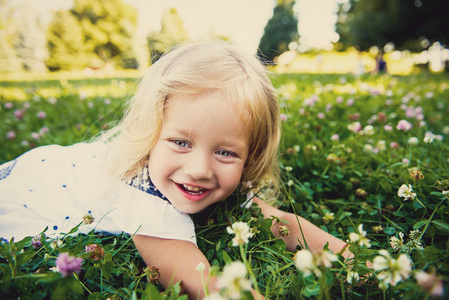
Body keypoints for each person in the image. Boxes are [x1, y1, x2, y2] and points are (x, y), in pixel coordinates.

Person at [0, 42, 349, 299]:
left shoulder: (198, 177)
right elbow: (198, 280)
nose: (198, 169)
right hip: (25, 190)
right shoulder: (142, 198)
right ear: (150, 134)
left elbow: (280, 221)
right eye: (180, 143)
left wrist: (350, 258)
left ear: (250, 157)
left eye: (225, 152)